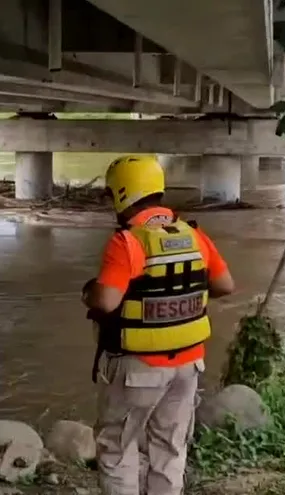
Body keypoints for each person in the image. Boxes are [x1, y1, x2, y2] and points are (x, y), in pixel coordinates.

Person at [81, 154, 234, 495]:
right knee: (170, 448)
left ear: (122, 193)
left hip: (139, 367)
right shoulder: (194, 235)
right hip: (188, 365)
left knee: (117, 448)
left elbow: (106, 302)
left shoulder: (128, 241)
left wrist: (89, 293)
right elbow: (225, 286)